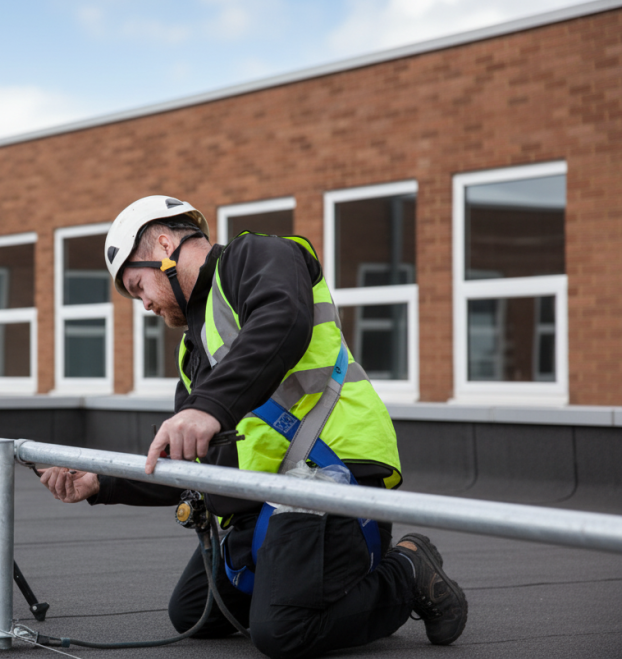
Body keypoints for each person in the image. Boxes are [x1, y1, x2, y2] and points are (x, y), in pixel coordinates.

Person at [39, 195, 467, 658]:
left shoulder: (258, 256)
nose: (142, 304)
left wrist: (210, 406)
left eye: (137, 285)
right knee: (193, 613)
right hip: (271, 493)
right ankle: (334, 593)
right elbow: (191, 464)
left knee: (282, 631)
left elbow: (283, 318)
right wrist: (100, 483)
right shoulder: (194, 352)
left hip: (332, 469)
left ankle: (407, 567)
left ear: (165, 244)